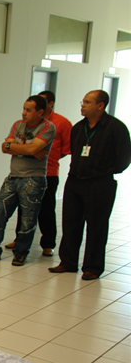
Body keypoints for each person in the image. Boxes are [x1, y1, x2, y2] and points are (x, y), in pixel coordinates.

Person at [49, 90, 130, 280]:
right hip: (75, 180)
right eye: (82, 101)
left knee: (96, 226)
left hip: (100, 183)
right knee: (70, 223)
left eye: (87, 102)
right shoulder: (78, 128)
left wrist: (107, 171)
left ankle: (92, 267)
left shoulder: (116, 128)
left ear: (100, 105)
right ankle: (68, 262)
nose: (82, 105)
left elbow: (124, 158)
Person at [0, 95, 54, 266]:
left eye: (28, 110)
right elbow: (5, 147)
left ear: (40, 112)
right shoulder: (18, 125)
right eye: (24, 109)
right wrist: (27, 149)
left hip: (33, 179)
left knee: (27, 219)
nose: (24, 113)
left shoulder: (48, 127)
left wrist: (19, 148)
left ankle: (21, 252)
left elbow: (32, 148)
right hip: (13, 177)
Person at [5, 90, 72, 256]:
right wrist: (30, 150)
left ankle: (48, 244)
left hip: (48, 172)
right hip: (23, 172)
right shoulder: (23, 124)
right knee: (23, 210)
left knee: (46, 209)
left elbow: (66, 149)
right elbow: (9, 145)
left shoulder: (61, 123)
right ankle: (19, 239)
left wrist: (44, 153)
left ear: (49, 105)